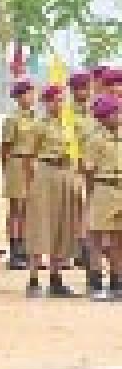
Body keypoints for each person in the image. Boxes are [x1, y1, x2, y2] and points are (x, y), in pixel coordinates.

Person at [21, 85, 81, 298]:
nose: (59, 104)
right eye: (54, 100)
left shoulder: (69, 126)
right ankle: (34, 279)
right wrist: (31, 185)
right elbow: (28, 158)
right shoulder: (38, 126)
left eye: (61, 100)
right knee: (40, 226)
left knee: (61, 226)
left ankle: (56, 279)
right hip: (45, 174)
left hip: (65, 174)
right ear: (46, 103)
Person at [82, 94, 122, 300]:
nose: (119, 116)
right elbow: (88, 170)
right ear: (104, 117)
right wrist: (91, 195)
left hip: (119, 190)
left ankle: (117, 282)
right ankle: (96, 282)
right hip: (103, 188)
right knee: (97, 239)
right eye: (116, 113)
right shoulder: (95, 139)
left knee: (118, 240)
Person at [1, 79, 38, 271]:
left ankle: (24, 248)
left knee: (27, 209)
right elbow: (5, 147)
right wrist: (7, 169)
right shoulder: (12, 119)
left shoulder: (35, 117)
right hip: (16, 162)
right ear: (18, 97)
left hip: (32, 164)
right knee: (16, 208)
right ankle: (14, 251)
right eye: (27, 93)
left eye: (32, 93)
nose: (31, 97)